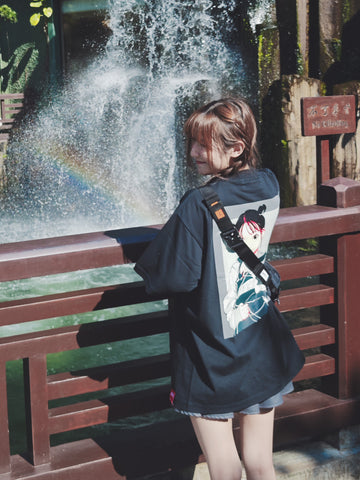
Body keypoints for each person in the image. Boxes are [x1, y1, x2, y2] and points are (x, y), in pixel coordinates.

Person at [134, 98, 304, 480]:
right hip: (260, 344)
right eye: (191, 141)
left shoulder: (199, 202)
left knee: (224, 468)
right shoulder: (270, 183)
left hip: (211, 354)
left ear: (237, 148)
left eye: (203, 143)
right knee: (261, 463)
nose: (193, 152)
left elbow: (173, 277)